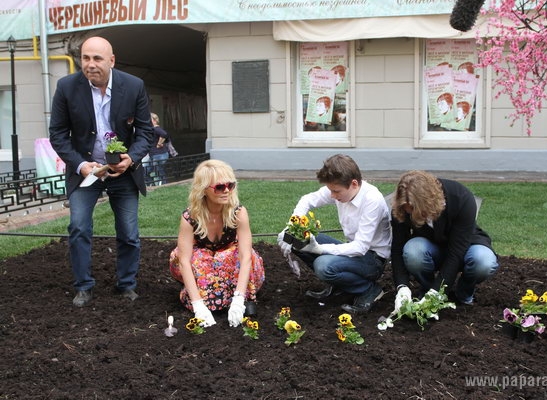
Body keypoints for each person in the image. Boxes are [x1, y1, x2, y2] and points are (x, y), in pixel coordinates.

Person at [49, 36, 154, 307]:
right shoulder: (66, 87)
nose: (90, 64)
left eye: (97, 58)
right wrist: (82, 166)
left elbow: (145, 132)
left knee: (129, 232)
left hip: (124, 172)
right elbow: (58, 134)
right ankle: (83, 286)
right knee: (79, 227)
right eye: (86, 58)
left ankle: (126, 284)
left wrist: (130, 158)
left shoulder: (133, 86)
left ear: (111, 60)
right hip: (86, 172)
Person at [277, 154, 391, 314]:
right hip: (352, 250)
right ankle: (341, 285)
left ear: (354, 184)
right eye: (330, 190)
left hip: (372, 259)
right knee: (294, 238)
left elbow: (360, 247)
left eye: (336, 191)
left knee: (323, 266)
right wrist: (292, 226)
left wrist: (320, 249)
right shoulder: (341, 187)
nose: (332, 195)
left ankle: (369, 290)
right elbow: (307, 200)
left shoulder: (372, 200)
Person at [169, 159, 265, 328]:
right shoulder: (190, 217)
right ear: (203, 190)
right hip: (204, 262)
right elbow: (183, 261)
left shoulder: (238, 213)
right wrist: (198, 305)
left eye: (231, 185)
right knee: (188, 257)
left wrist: (239, 298)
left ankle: (233, 295)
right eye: (220, 187)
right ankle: (200, 294)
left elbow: (245, 257)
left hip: (229, 260)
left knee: (242, 255)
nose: (226, 190)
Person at [390, 170, 499, 310]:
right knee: (413, 251)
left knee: (483, 261)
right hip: (430, 247)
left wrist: (438, 292)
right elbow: (398, 247)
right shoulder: (403, 206)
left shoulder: (461, 198)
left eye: (417, 212)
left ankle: (463, 293)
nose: (413, 216)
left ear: (428, 203)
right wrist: (402, 287)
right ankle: (427, 292)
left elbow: (456, 252)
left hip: (466, 246)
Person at [145, 112, 170, 186]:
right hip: (155, 154)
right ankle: (152, 184)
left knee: (159, 171)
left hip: (159, 154)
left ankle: (163, 185)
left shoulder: (156, 128)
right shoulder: (153, 129)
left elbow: (165, 134)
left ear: (155, 120)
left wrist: (159, 143)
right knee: (147, 171)